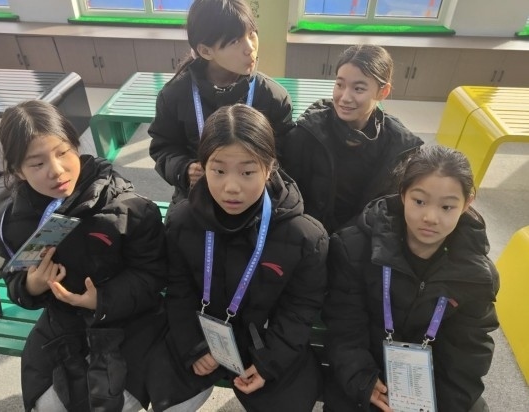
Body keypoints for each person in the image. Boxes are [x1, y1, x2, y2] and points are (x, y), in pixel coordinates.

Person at [0, 100, 167, 412]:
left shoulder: (130, 208)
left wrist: (101, 300)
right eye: (37, 164)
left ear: (76, 145)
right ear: (17, 170)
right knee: (48, 405)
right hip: (61, 325)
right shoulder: (12, 221)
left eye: (62, 152)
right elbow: (13, 279)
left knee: (113, 401)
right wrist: (31, 285)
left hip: (129, 322)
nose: (56, 170)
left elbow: (153, 275)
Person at [162, 104, 328, 411]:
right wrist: (193, 347)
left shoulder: (305, 236)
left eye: (247, 172)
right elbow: (178, 291)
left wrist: (269, 363)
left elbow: (299, 310)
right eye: (218, 170)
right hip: (201, 336)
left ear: (270, 167)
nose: (231, 187)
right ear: (203, 166)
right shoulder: (182, 221)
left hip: (266, 344)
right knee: (163, 397)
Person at [323, 145, 499, 411]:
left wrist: (437, 404)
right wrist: (362, 379)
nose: (430, 217)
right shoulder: (355, 248)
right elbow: (344, 326)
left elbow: (469, 353)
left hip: (431, 379)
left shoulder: (476, 275)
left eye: (447, 206)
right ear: (403, 193)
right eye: (419, 201)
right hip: (367, 371)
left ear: (467, 204)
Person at [148, 0, 294, 208]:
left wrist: (260, 172)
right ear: (206, 51)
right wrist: (183, 169)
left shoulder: (272, 97)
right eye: (235, 41)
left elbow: (284, 155)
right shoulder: (174, 95)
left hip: (254, 199)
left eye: (252, 33)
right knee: (176, 225)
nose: (250, 48)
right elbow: (163, 146)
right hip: (197, 196)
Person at [281, 44, 424, 234]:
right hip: (309, 235)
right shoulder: (307, 133)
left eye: (358, 88)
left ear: (383, 92)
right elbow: (286, 195)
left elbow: (390, 211)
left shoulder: (400, 148)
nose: (345, 97)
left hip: (362, 240)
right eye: (340, 85)